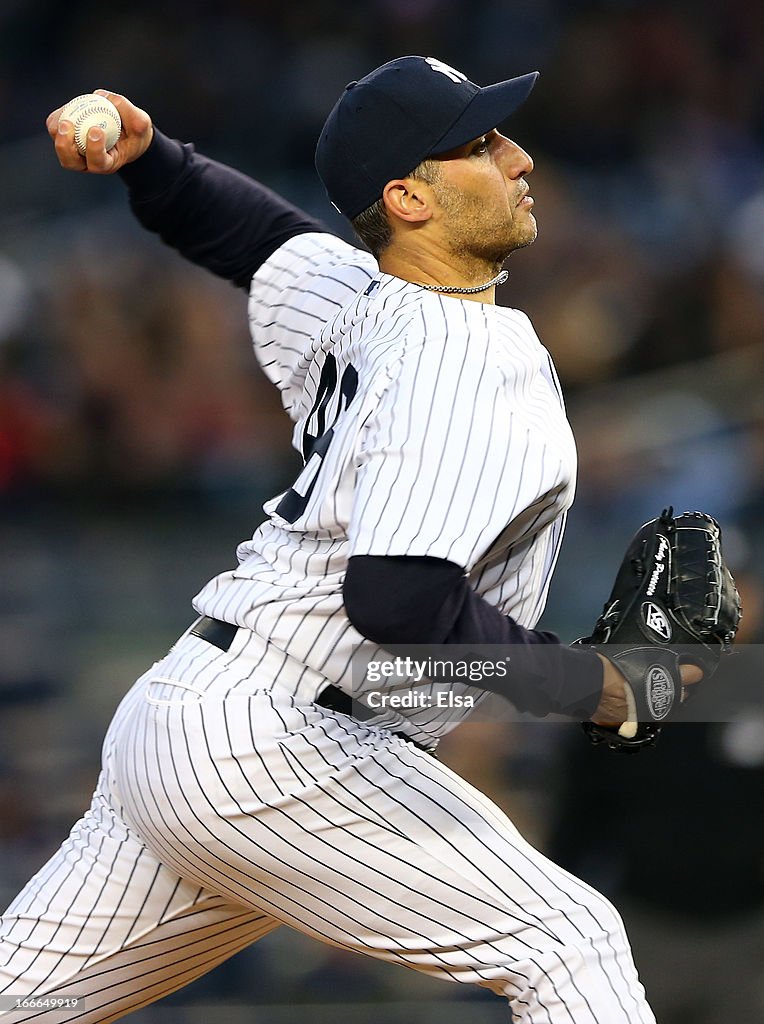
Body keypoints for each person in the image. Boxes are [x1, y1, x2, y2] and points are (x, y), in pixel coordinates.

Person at [0, 55, 699, 1024]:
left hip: (190, 719)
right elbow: (399, 602)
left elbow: (248, 233)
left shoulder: (356, 295)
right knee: (564, 943)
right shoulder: (461, 358)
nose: (519, 156)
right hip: (281, 745)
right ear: (408, 198)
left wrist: (151, 156)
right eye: (479, 144)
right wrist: (594, 685)